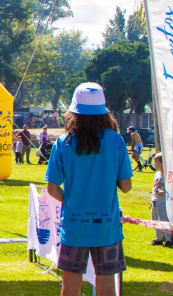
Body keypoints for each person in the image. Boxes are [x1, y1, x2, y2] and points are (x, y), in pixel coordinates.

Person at [45, 83, 132, 296]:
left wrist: (71, 200)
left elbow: (52, 188)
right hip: (107, 226)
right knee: (107, 284)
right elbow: (126, 186)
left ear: (73, 113)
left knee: (70, 284)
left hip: (74, 224)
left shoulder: (63, 142)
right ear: (103, 112)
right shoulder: (116, 140)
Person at [149, 153, 172, 247]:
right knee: (154, 220)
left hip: (162, 201)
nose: (154, 164)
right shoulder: (157, 174)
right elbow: (155, 187)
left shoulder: (167, 175)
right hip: (155, 200)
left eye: (156, 162)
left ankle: (168, 239)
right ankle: (158, 238)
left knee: (163, 219)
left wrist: (162, 191)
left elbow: (167, 189)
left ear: (163, 163)